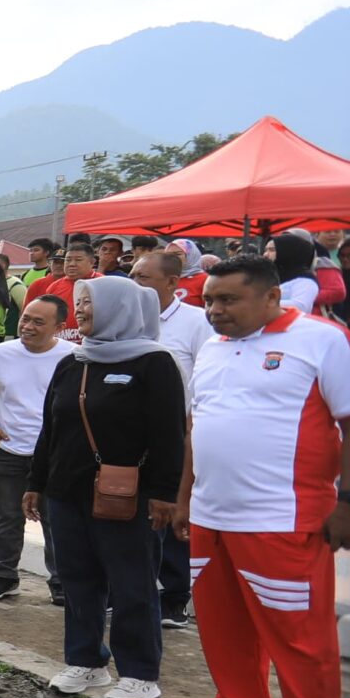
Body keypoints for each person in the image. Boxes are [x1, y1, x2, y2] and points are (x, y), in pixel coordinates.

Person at [175, 255, 350, 698]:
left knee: (300, 638)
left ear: (270, 296)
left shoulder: (322, 339)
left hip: (283, 518)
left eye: (228, 300)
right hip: (211, 516)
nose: (214, 310)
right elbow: (199, 428)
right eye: (210, 300)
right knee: (223, 629)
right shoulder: (213, 349)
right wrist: (184, 499)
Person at [26, 275, 187, 698]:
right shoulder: (73, 361)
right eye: (78, 303)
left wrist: (164, 494)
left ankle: (139, 673)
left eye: (89, 303)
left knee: (131, 583)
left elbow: (171, 435)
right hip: (66, 491)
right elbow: (51, 429)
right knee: (78, 580)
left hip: (127, 495)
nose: (79, 310)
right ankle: (86, 661)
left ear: (120, 307)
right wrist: (36, 484)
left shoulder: (155, 363)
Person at [0, 294, 70, 603]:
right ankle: (4, 577)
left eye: (38, 322)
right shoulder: (0, 354)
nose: (27, 326)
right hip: (9, 450)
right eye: (26, 318)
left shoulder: (74, 357)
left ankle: (61, 583)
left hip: (55, 454)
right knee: (7, 516)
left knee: (57, 519)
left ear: (59, 327)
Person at [133, 248, 212, 627]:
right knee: (136, 513)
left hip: (179, 433)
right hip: (133, 437)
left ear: (172, 283)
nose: (135, 284)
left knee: (173, 508)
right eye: (132, 276)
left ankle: (175, 595)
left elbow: (205, 379)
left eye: (143, 278)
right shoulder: (127, 319)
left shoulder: (196, 322)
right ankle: (135, 589)